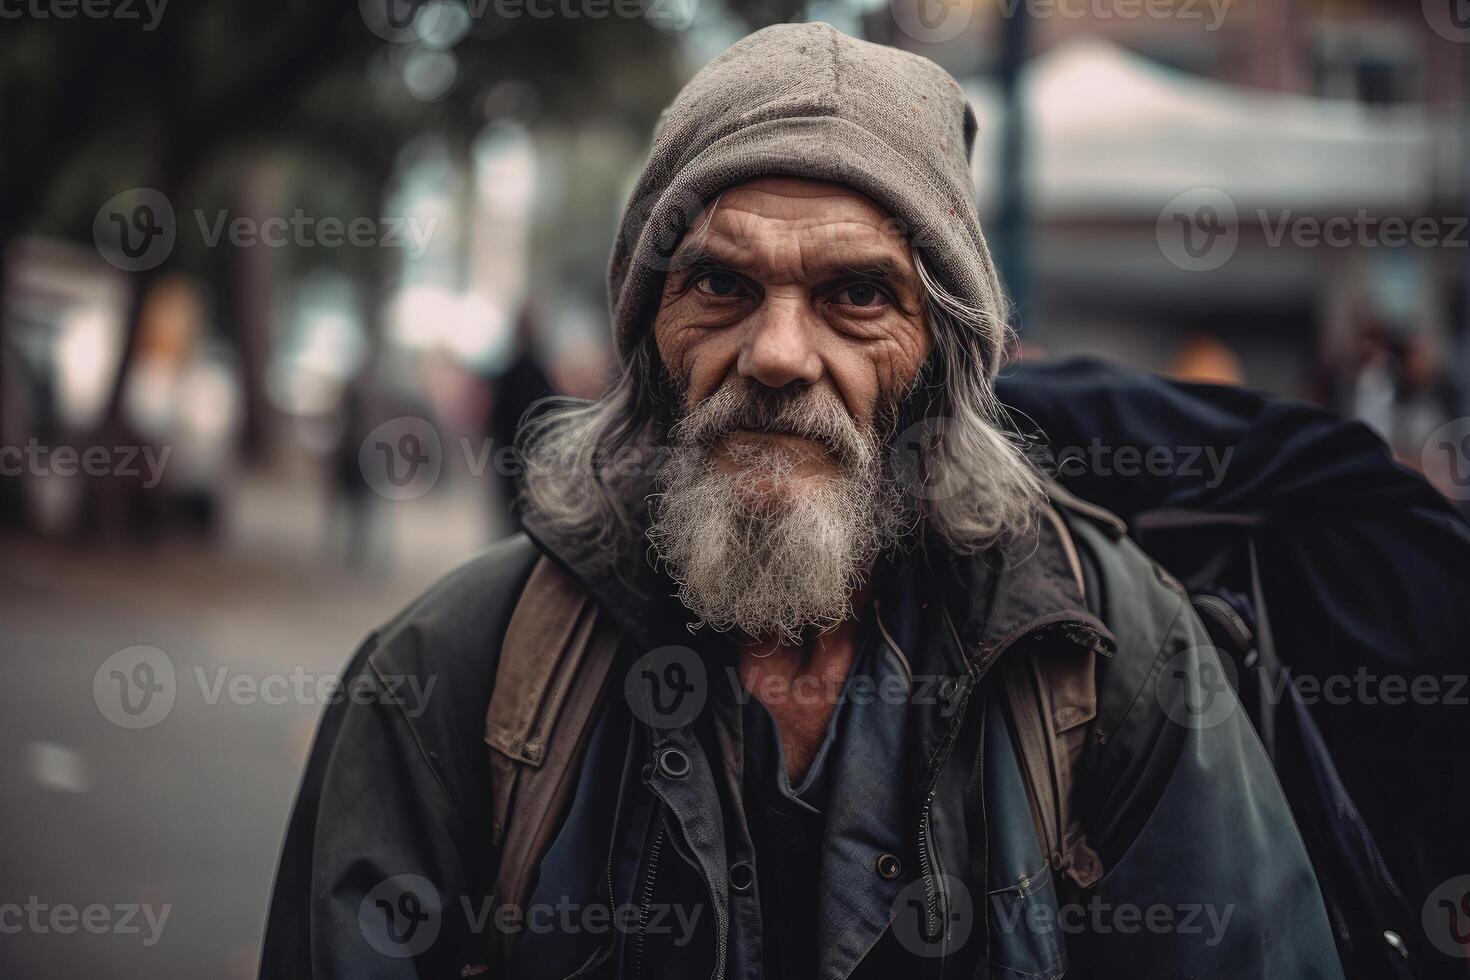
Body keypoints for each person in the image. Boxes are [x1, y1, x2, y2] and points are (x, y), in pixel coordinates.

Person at [261, 23, 1341, 979]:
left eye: (857, 294)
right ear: (649, 335)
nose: (777, 354)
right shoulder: (451, 674)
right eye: (722, 284)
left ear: (940, 360)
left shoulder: (1118, 662)